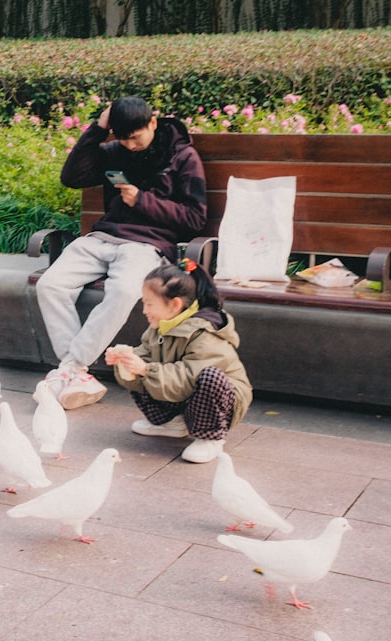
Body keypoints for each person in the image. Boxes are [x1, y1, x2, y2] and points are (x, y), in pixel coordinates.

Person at [37, 96, 208, 410]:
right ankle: (76, 372)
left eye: (136, 137)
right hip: (102, 237)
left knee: (125, 290)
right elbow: (71, 178)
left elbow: (195, 219)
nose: (130, 145)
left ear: (153, 123)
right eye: (122, 137)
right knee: (50, 285)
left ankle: (71, 369)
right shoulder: (113, 150)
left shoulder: (183, 156)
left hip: (147, 245)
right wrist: (98, 130)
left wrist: (142, 201)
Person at [104, 259, 252, 463]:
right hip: (184, 392)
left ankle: (210, 437)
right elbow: (146, 356)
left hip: (222, 400)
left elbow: (191, 377)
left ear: (174, 305)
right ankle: (173, 422)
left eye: (149, 304)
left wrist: (146, 369)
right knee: (145, 368)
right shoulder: (160, 326)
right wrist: (126, 361)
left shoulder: (205, 332)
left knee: (209, 376)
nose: (144, 310)